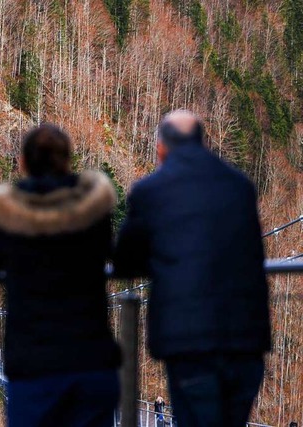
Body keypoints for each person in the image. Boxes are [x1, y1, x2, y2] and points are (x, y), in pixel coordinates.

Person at [114, 110, 270, 427]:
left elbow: (125, 261)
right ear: (203, 141)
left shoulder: (151, 191)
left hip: (190, 342)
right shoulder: (240, 186)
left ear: (161, 148)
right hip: (246, 342)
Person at [0, 124, 121, 427]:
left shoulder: (9, 209)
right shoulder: (93, 207)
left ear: (23, 162)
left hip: (35, 364)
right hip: (91, 359)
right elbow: (118, 255)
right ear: (68, 159)